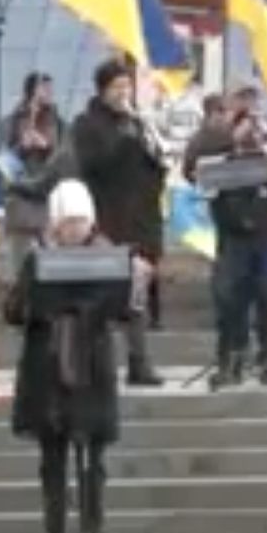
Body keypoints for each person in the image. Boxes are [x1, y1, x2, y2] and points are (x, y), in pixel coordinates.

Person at [4, 180, 149, 533]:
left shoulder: (108, 258)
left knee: (94, 454)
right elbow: (14, 311)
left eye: (81, 222)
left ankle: (93, 527)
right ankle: (53, 530)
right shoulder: (38, 257)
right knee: (51, 453)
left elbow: (122, 311)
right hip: (47, 361)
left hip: (91, 360)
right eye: (67, 222)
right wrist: (32, 293)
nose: (74, 229)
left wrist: (136, 285)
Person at [184, 95, 267, 387]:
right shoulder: (213, 141)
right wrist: (228, 138)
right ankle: (231, 360)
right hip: (233, 234)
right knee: (230, 300)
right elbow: (191, 168)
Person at [70, 58, 166, 387]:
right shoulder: (86, 124)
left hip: (141, 219)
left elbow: (151, 170)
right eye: (117, 87)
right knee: (103, 298)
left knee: (137, 295)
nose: (124, 93)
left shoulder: (136, 122)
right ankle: (97, 366)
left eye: (127, 86)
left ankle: (140, 363)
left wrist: (154, 154)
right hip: (109, 219)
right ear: (103, 90)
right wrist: (124, 140)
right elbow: (91, 165)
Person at [0, 79, 66, 270]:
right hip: (21, 204)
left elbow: (67, 161)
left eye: (50, 89)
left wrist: (47, 148)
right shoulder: (10, 123)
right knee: (20, 265)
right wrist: (21, 149)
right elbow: (2, 165)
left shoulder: (59, 124)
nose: (48, 94)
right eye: (43, 89)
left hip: (52, 202)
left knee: (53, 267)